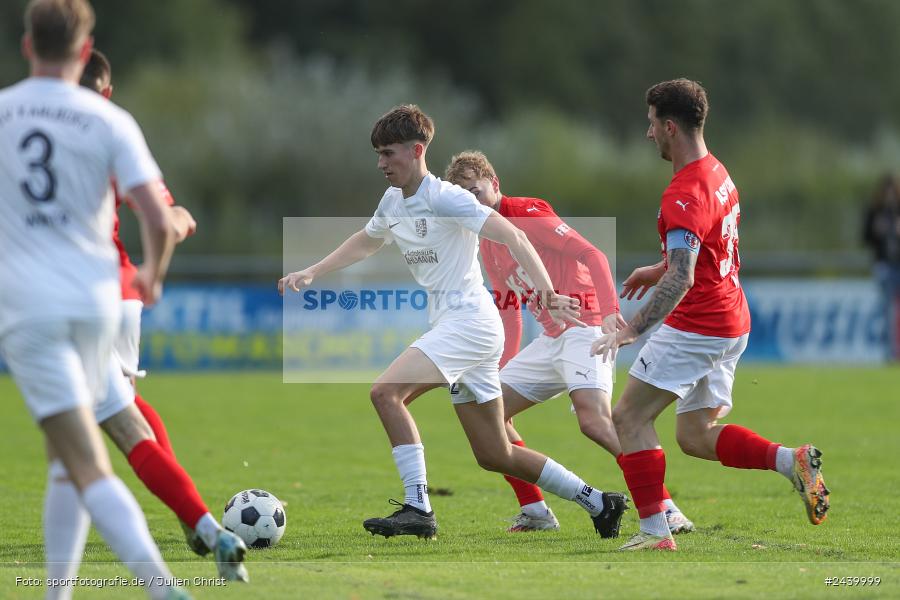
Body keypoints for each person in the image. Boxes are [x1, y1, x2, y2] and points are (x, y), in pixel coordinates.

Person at [279, 105, 629, 540]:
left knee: (386, 392)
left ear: (416, 150)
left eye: (388, 153)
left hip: (469, 324)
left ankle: (419, 508)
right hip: (464, 328)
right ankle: (600, 503)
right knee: (494, 453)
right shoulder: (392, 201)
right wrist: (313, 271)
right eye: (378, 154)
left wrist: (545, 292)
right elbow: (366, 241)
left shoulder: (446, 197)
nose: (381, 163)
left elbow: (515, 234)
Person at [591, 79, 830, 551]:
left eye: (652, 123)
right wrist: (659, 267)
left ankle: (655, 531)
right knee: (695, 436)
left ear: (670, 126)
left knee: (628, 417)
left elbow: (682, 278)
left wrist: (632, 329)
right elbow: (704, 248)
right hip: (731, 319)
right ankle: (792, 461)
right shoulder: (717, 171)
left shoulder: (683, 193)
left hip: (698, 324)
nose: (648, 133)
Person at [0, 1, 185, 598]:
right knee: (65, 458)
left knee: (83, 460)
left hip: (32, 308)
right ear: (84, 51)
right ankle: (58, 593)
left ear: (28, 46)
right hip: (99, 305)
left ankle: (162, 586)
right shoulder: (110, 119)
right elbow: (158, 215)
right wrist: (154, 274)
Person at [65, 48, 247, 584]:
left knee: (93, 436)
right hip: (122, 292)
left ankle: (198, 529)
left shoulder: (27, 126)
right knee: (126, 404)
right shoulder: (114, 132)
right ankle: (194, 521)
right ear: (107, 91)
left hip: (67, 296)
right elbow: (168, 218)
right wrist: (159, 265)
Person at [444, 150, 694, 535]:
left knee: (594, 421)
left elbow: (592, 255)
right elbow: (510, 312)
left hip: (585, 326)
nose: (472, 203)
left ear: (494, 184)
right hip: (551, 339)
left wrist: (609, 311)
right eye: (464, 199)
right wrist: (500, 366)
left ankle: (665, 506)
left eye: (476, 192)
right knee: (489, 414)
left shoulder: (526, 213)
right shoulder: (487, 240)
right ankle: (536, 511)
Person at [862, 174, 900, 360]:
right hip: (884, 265)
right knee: (887, 312)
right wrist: (876, 231)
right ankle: (890, 353)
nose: (889, 195)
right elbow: (865, 237)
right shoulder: (875, 212)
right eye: (886, 191)